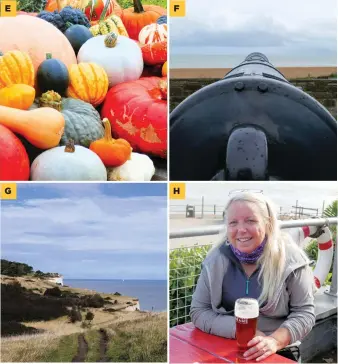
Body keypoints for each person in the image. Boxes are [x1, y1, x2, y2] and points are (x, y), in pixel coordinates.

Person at [190, 192, 316, 362]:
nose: (241, 229)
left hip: (278, 351)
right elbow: (199, 311)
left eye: (251, 220)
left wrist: (274, 341)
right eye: (233, 222)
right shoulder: (215, 261)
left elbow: (305, 313)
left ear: (268, 224)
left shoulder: (292, 260)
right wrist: (241, 331)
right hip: (226, 345)